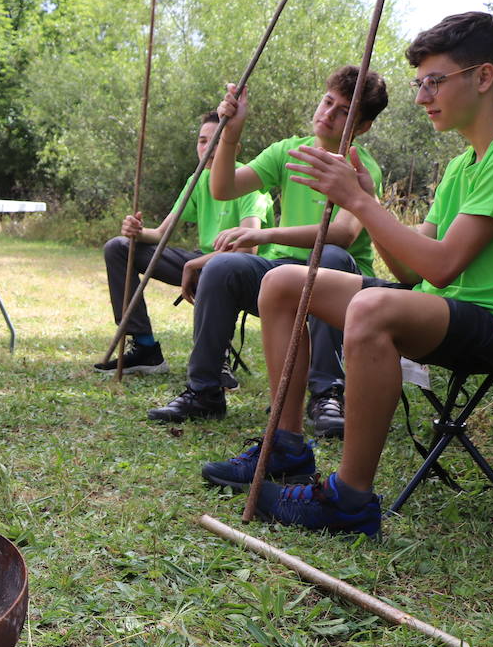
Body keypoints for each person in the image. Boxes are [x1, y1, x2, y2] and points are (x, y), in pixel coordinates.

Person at [202, 12, 493, 539]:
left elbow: (444, 266)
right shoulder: (462, 166)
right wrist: (371, 202)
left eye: (434, 81)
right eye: (418, 84)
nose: (423, 96)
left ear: (484, 76)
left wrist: (358, 202)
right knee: (282, 284)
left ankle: (348, 501)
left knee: (371, 307)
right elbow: (409, 268)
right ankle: (287, 448)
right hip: (446, 307)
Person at [146, 66, 389, 435]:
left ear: (363, 126)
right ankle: (205, 390)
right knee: (222, 267)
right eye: (327, 102)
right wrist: (232, 134)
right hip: (283, 272)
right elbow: (223, 188)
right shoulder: (288, 152)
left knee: (331, 260)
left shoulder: (360, 166)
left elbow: (339, 234)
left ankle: (327, 394)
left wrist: (266, 233)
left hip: (343, 281)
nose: (328, 114)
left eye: (343, 111)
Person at [95, 110, 273, 378]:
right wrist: (137, 232)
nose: (208, 148)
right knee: (118, 247)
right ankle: (145, 348)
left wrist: (199, 262)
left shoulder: (249, 181)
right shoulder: (196, 180)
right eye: (202, 141)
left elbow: (249, 249)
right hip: (201, 262)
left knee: (218, 267)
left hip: (247, 272)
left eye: (217, 141)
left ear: (234, 146)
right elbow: (160, 235)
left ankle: (216, 359)